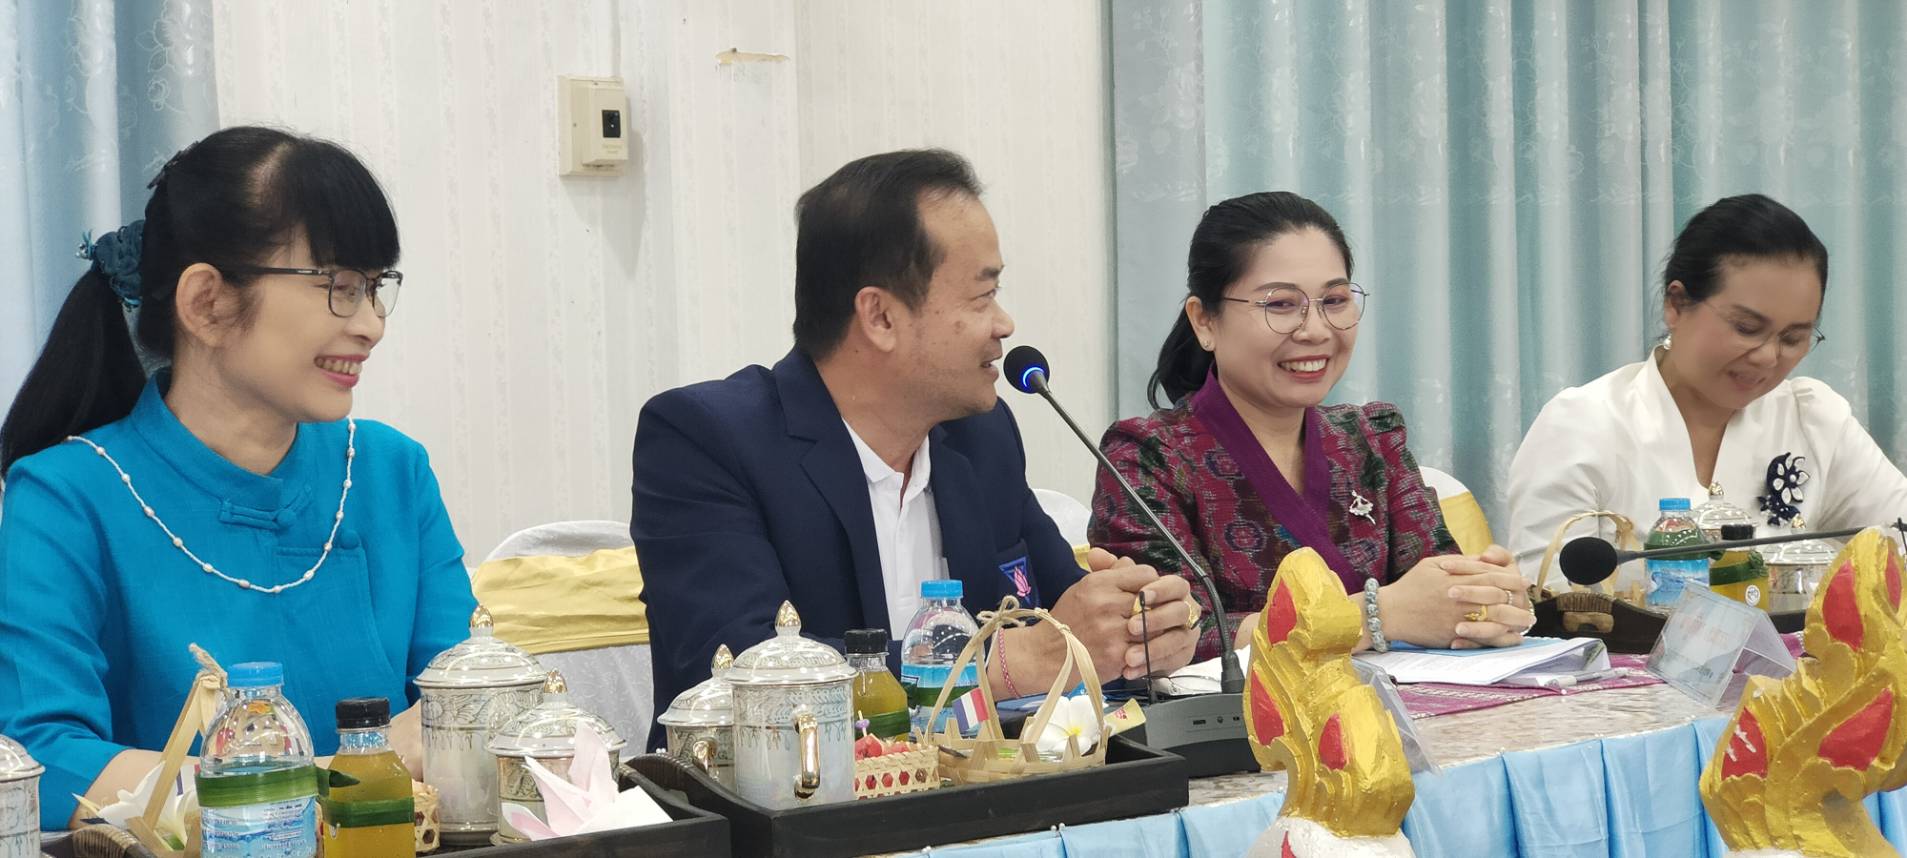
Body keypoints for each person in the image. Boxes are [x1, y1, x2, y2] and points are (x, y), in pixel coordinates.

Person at [632, 149, 1197, 749]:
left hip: (982, 792)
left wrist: (1134, 626)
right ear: (880, 316)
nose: (1004, 323)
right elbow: (737, 675)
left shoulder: (982, 438)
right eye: (982, 296)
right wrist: (999, 667)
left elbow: (1059, 616)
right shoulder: (706, 439)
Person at [0, 126, 476, 830]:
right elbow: (43, 759)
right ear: (207, 303)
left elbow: (467, 701)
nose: (372, 325)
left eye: (376, 288)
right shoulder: (65, 496)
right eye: (339, 287)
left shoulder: (390, 470)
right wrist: (336, 780)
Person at [1089, 192, 1534, 662]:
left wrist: (1486, 598)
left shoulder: (1372, 438)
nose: (1317, 330)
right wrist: (1375, 616)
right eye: (1281, 304)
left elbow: (1438, 592)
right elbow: (1167, 636)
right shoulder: (1147, 456)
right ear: (1205, 322)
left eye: (1335, 300)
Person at [1508, 193, 1907, 578]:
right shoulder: (1582, 426)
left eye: (1793, 338)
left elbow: (1899, 537)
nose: (1768, 357)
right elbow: (1550, 604)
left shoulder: (1813, 418)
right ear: (1676, 304)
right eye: (1746, 328)